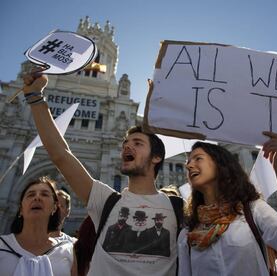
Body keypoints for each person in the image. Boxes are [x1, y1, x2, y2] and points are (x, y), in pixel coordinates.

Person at [22, 73, 180, 275]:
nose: (126, 147)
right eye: (125, 144)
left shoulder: (178, 208)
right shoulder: (105, 201)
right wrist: (35, 97)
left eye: (137, 143)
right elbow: (60, 154)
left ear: (157, 157)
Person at [178, 132, 277, 276]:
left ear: (220, 164)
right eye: (188, 162)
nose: (189, 165)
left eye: (198, 158)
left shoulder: (253, 210)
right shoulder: (187, 233)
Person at [0, 176, 76, 276]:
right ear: (21, 209)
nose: (37, 198)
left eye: (44, 194)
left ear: (54, 208)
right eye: (31, 195)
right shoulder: (2, 246)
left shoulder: (69, 251)